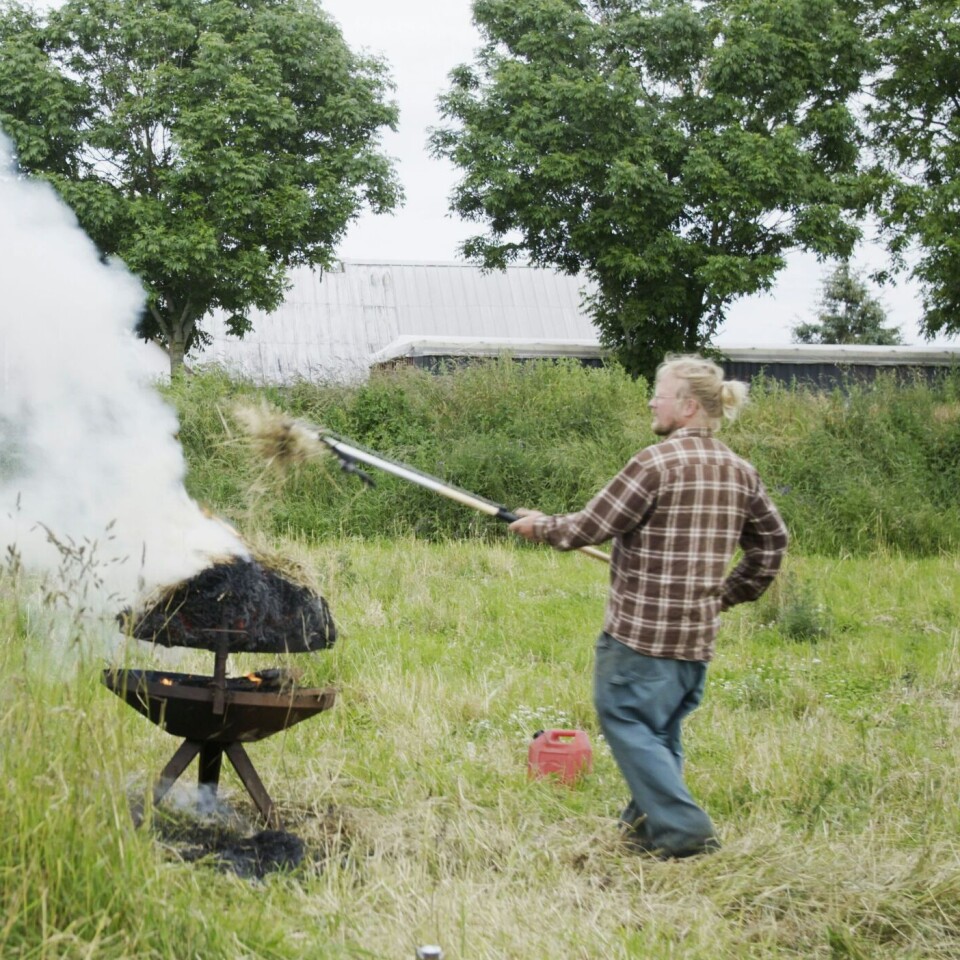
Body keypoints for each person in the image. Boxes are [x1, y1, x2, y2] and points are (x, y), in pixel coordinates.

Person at [509, 354, 789, 859]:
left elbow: (588, 527)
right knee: (659, 736)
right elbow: (772, 544)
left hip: (640, 640)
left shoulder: (655, 463)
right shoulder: (740, 472)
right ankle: (642, 834)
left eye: (658, 393)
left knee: (625, 721)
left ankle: (683, 831)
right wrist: (725, 595)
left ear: (685, 405)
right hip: (694, 643)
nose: (651, 401)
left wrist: (540, 527)